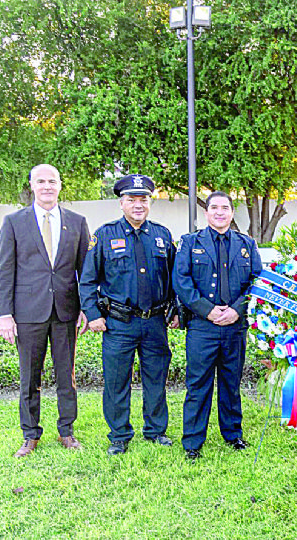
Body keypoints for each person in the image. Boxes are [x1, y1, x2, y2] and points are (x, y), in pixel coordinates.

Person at [79, 174, 179, 456]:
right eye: (132, 200)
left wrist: (176, 309)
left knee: (156, 378)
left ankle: (156, 430)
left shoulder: (162, 235)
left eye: (143, 199)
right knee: (116, 381)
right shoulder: (105, 234)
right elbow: (87, 280)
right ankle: (119, 435)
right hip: (118, 323)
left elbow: (175, 279)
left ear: (150, 203)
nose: (138, 205)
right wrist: (93, 314)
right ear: (121, 203)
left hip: (155, 323)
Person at [0, 164, 90, 457]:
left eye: (52, 181)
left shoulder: (77, 222)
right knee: (29, 378)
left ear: (60, 185)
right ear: (32, 185)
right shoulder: (14, 222)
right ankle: (30, 434)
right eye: (41, 181)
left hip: (65, 312)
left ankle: (67, 431)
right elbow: (4, 270)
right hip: (27, 313)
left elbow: (84, 271)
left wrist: (87, 307)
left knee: (67, 376)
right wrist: (4, 314)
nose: (47, 186)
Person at [174, 191, 262, 459]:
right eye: (215, 208)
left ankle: (233, 434)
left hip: (235, 326)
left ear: (232, 212)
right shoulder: (190, 243)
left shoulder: (247, 244)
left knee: (230, 382)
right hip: (203, 326)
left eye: (225, 208)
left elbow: (257, 282)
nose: (220, 212)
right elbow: (182, 281)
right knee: (198, 384)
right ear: (207, 212)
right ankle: (192, 441)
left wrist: (237, 310)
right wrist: (208, 310)